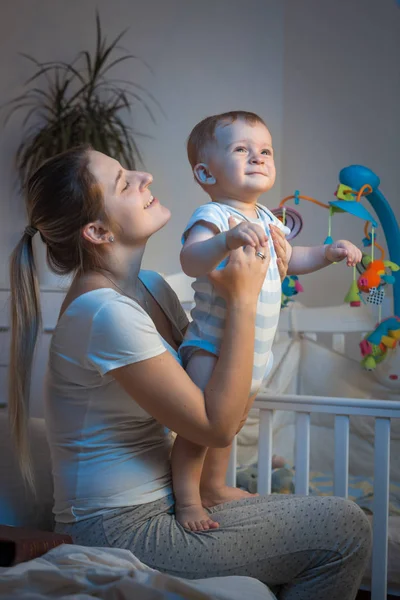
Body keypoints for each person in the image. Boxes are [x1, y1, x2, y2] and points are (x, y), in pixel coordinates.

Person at [8, 146, 371, 600]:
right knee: (344, 529)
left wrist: (264, 286)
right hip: (119, 528)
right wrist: (241, 299)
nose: (146, 176)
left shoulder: (152, 288)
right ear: (97, 231)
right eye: (124, 181)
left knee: (338, 518)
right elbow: (216, 426)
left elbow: (223, 394)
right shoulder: (102, 314)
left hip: (171, 503)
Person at [173, 110, 363, 530]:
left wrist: (328, 255)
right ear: (205, 173)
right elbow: (190, 260)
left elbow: (292, 260)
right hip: (211, 345)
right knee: (200, 426)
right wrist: (225, 240)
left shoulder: (268, 219)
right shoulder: (215, 217)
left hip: (254, 353)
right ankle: (187, 500)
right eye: (241, 149)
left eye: (265, 151)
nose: (257, 157)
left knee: (230, 423)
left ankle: (215, 486)